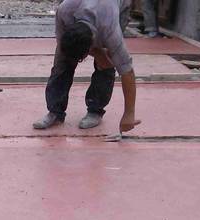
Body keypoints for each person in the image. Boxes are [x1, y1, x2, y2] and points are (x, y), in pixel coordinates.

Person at [33, 0, 141, 133]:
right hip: (92, 11)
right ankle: (55, 112)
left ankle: (95, 111)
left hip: (119, 6)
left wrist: (129, 114)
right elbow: (62, 46)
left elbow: (127, 71)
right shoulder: (64, 12)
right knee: (62, 64)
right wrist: (94, 52)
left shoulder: (110, 31)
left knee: (106, 64)